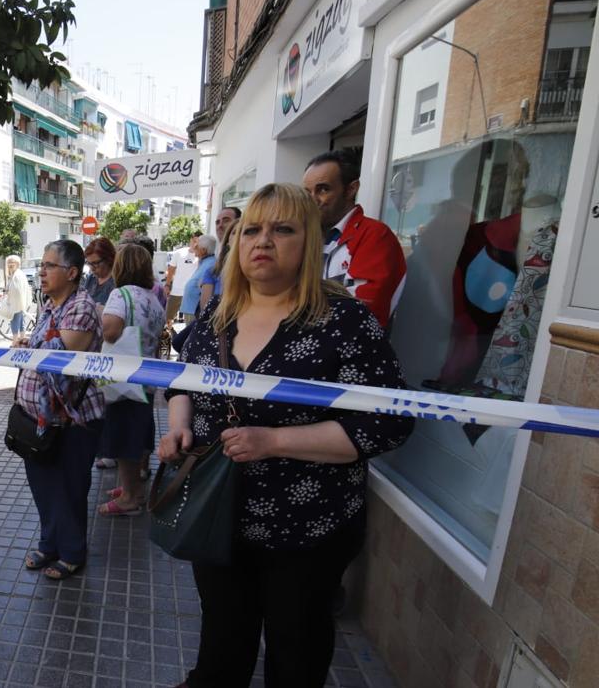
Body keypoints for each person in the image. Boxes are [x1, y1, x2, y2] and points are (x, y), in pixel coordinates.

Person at [158, 184, 414, 687]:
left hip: (308, 529)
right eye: (251, 229)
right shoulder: (216, 317)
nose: (263, 241)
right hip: (217, 517)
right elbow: (180, 381)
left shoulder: (345, 322)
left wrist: (274, 443)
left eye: (283, 229)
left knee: (296, 655)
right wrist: (178, 427)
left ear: (310, 241)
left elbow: (388, 422)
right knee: (221, 645)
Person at [12, 239, 104, 579]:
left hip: (73, 419)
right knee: (43, 485)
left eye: (49, 265)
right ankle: (49, 543)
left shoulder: (82, 306)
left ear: (72, 272)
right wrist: (28, 344)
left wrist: (25, 344)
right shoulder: (51, 306)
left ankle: (72, 552)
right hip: (40, 419)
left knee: (68, 488)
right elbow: (42, 346)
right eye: (42, 265)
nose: (42, 271)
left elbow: (55, 359)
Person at [96, 244, 165, 517]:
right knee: (138, 434)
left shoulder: (120, 294)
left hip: (123, 378)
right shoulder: (153, 298)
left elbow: (111, 332)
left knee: (124, 439)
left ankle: (129, 498)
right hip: (146, 378)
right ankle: (133, 487)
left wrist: (101, 311)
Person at [303, 149, 406, 327]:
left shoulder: (374, 235)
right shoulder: (305, 236)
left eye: (323, 189)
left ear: (351, 189)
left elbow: (361, 311)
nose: (313, 200)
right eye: (307, 192)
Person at [198, 207, 240, 313]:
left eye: (226, 220)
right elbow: (206, 313)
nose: (220, 225)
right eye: (217, 222)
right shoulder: (213, 270)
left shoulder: (254, 268)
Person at [181, 234, 218, 323]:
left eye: (197, 245)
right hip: (191, 309)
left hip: (195, 312)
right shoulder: (205, 262)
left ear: (204, 250)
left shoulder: (210, 265)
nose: (194, 246)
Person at [164, 235, 196, 323]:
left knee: (190, 321)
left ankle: (186, 336)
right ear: (190, 240)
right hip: (176, 291)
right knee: (168, 317)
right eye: (194, 241)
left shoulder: (201, 255)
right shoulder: (179, 253)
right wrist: (167, 285)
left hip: (191, 293)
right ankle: (169, 334)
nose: (195, 244)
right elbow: (171, 270)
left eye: (198, 241)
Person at [81, 237, 116, 306]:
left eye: (96, 263)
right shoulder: (91, 278)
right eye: (89, 263)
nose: (92, 268)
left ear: (108, 259)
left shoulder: (116, 281)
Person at [3, 255, 31, 341]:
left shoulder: (17, 275)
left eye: (12, 262)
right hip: (19, 303)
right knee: (21, 321)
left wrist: (8, 293)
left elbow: (16, 289)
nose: (10, 264)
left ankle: (15, 341)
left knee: (14, 321)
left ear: (17, 264)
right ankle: (22, 339)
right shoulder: (17, 274)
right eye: (9, 263)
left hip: (16, 303)